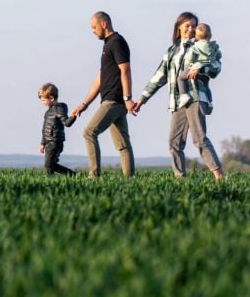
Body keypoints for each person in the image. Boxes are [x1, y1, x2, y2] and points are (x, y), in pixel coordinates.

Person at [132, 12, 224, 180]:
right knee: (174, 142)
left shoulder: (201, 45)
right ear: (179, 27)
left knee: (199, 138)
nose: (190, 29)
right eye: (187, 26)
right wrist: (141, 100)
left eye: (194, 26)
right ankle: (180, 179)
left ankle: (219, 175)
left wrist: (201, 68)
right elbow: (159, 77)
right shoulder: (172, 51)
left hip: (195, 96)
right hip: (177, 101)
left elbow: (216, 67)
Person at [70, 12, 136, 178]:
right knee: (122, 144)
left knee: (89, 132)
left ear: (104, 23)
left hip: (114, 100)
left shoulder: (117, 42)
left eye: (94, 27)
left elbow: (125, 70)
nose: (92, 31)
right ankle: (129, 179)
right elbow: (99, 79)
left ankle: (94, 176)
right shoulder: (107, 45)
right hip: (111, 100)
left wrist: (127, 99)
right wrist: (84, 104)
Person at [176, 22, 221, 109]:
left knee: (181, 78)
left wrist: (189, 65)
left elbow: (189, 58)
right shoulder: (213, 46)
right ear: (210, 35)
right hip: (206, 68)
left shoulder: (195, 46)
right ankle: (210, 102)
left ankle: (184, 95)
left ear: (196, 36)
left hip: (195, 67)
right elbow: (218, 55)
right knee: (206, 85)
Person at [38, 83, 77, 176]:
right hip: (48, 142)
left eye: (43, 100)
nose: (42, 102)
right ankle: (72, 175)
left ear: (51, 98)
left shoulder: (59, 109)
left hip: (55, 141)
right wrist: (42, 143)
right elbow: (44, 130)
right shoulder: (48, 112)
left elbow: (67, 123)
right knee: (50, 165)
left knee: (49, 165)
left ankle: (68, 175)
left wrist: (73, 116)